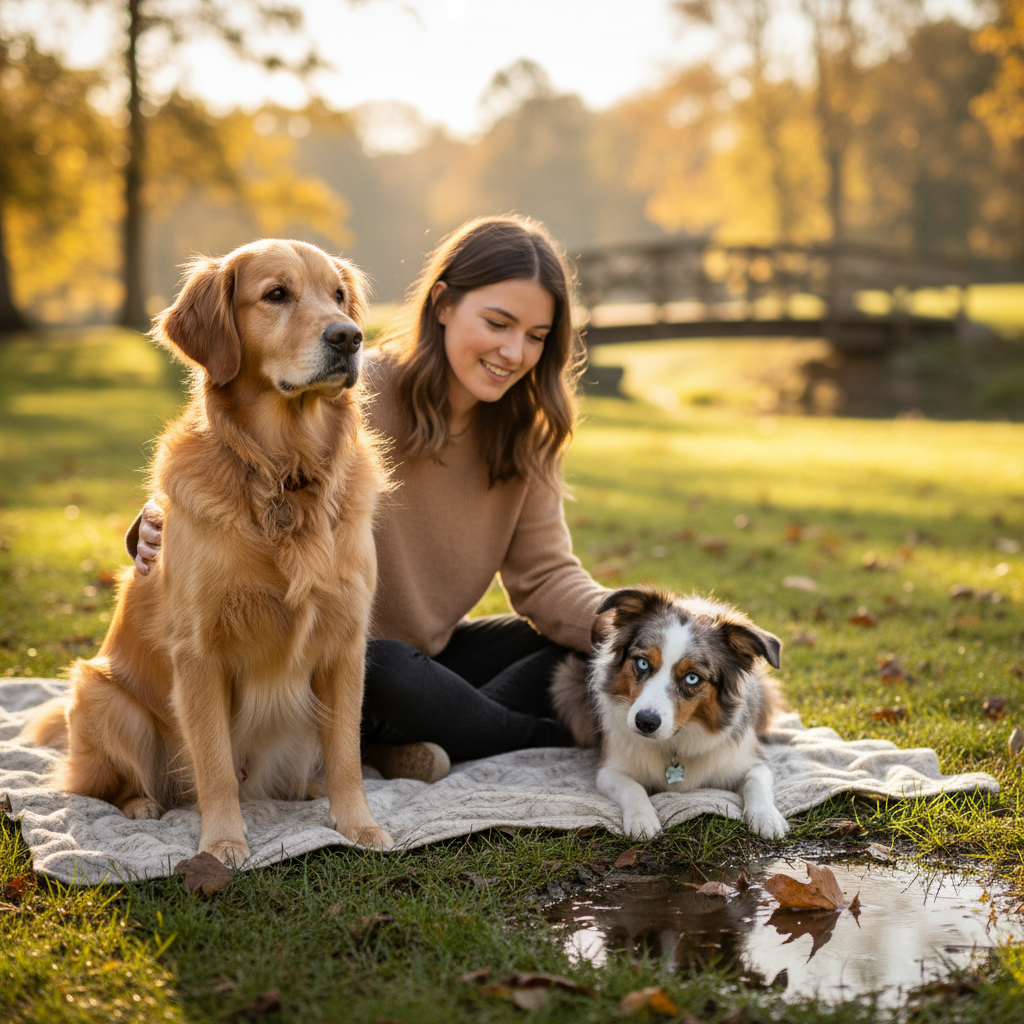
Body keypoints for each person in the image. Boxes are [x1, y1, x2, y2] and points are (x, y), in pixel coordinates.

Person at [129, 214, 608, 783]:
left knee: (577, 648)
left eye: (536, 336)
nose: (513, 352)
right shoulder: (349, 384)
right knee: (393, 671)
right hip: (338, 664)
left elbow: (547, 578)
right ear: (443, 305)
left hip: (431, 656)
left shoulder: (523, 432)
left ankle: (435, 735)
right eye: (498, 323)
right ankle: (542, 737)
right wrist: (159, 518)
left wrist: (640, 623)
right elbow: (228, 446)